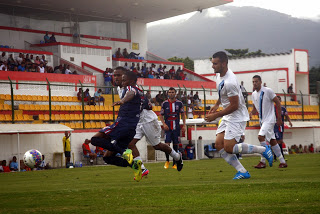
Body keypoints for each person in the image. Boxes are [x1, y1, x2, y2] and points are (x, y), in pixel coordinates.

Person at [205, 51, 273, 179]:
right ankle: (242, 171)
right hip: (228, 114)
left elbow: (234, 105)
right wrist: (216, 104)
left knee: (229, 148)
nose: (212, 66)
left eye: (215, 63)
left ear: (223, 63)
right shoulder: (219, 76)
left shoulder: (230, 81)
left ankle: (263, 150)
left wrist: (216, 115)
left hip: (237, 116)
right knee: (219, 145)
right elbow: (223, 94)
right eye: (212, 63)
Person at [90, 68, 143, 181]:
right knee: (107, 157)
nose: (120, 80)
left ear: (130, 80)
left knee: (94, 140)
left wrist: (123, 101)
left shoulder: (130, 88)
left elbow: (130, 93)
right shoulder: (139, 91)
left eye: (122, 78)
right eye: (115, 76)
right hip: (131, 129)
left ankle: (124, 152)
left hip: (122, 124)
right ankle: (135, 166)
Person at [250, 75, 287, 168]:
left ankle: (263, 160)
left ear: (261, 82)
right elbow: (255, 109)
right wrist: (250, 113)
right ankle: (282, 161)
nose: (254, 83)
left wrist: (279, 118)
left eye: (256, 81)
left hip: (270, 119)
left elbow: (277, 103)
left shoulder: (268, 91)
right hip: (262, 120)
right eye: (253, 82)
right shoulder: (253, 94)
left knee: (260, 136)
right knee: (273, 141)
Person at [159, 87, 186, 169]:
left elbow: (183, 115)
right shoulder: (164, 103)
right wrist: (164, 124)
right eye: (170, 92)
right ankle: (167, 161)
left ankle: (174, 163)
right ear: (168, 93)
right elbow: (160, 115)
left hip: (176, 127)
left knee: (175, 145)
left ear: (175, 93)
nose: (171, 93)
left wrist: (184, 125)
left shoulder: (179, 103)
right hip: (168, 127)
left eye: (172, 92)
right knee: (166, 145)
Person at [273, 96, 292, 161]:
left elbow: (286, 116)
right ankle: (278, 156)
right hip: (275, 126)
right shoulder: (273, 108)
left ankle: (278, 156)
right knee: (277, 141)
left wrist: (290, 122)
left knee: (280, 141)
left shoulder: (283, 108)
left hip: (281, 126)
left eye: (279, 99)